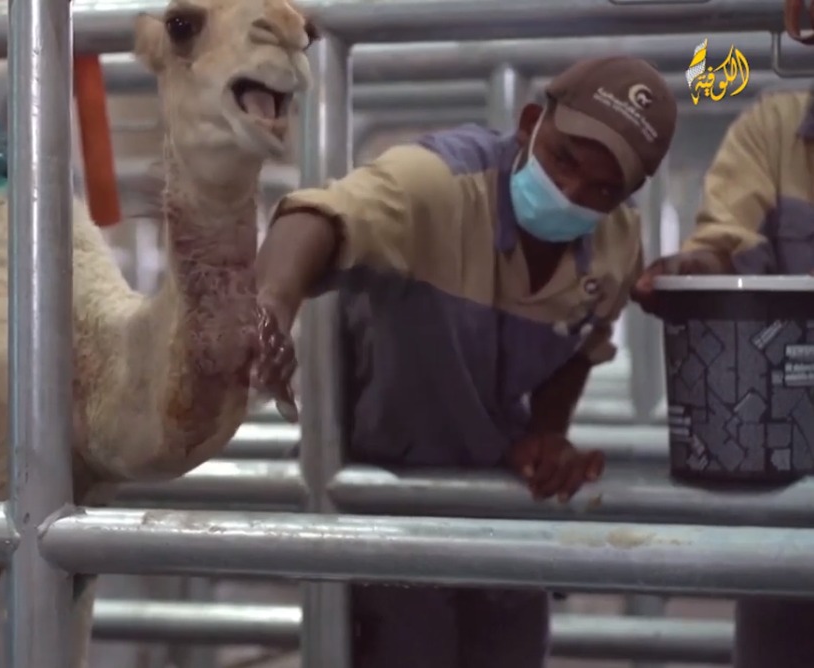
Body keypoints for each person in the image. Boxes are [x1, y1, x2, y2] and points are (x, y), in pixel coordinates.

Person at [250, 57, 678, 667]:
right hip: (385, 490)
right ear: (529, 123)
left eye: (604, 189)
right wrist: (271, 307)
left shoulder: (616, 245)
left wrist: (547, 431)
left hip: (499, 495)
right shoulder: (437, 183)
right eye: (564, 159)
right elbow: (314, 218)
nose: (573, 192)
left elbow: (582, 343)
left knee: (511, 649)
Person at [631, 86, 814, 668]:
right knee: (781, 635)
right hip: (795, 488)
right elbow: (727, 245)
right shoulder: (777, 129)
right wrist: (693, 270)